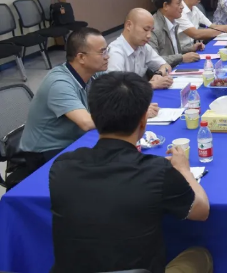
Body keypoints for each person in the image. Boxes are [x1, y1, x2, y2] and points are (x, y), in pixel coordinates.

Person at [49, 72, 212, 273]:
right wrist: (184, 170)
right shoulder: (158, 171)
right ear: (143, 121)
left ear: (95, 116)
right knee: (200, 255)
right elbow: (202, 211)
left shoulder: (62, 166)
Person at [10, 28, 114, 186]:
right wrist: (128, 114)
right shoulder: (59, 83)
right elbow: (86, 123)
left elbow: (119, 90)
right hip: (46, 152)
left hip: (72, 139)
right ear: (81, 57)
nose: (107, 56)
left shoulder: (93, 73)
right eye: (102, 52)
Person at [107, 8, 174, 90]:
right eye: (146, 29)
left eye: (151, 31)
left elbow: (166, 66)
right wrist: (151, 85)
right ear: (129, 25)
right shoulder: (115, 52)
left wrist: (159, 73)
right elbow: (116, 89)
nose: (149, 35)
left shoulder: (144, 47)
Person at [149, 0, 203, 68]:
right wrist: (182, 58)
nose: (182, 6)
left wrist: (190, 49)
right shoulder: (153, 28)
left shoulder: (173, 22)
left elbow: (174, 52)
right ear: (165, 6)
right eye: (179, 3)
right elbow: (153, 60)